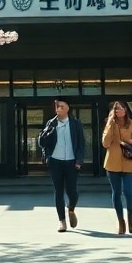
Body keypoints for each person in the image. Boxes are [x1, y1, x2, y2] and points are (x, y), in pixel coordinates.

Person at [37, 97, 85, 232]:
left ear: (68, 108)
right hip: (55, 161)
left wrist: (79, 161)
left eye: (62, 106)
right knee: (58, 191)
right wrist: (48, 157)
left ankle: (71, 209)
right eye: (57, 107)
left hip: (71, 161)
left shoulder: (75, 124)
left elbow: (81, 144)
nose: (59, 109)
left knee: (72, 191)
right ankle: (62, 221)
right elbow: (42, 143)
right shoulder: (51, 123)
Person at [101, 99, 132, 235]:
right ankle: (121, 221)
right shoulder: (109, 123)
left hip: (129, 161)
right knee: (116, 192)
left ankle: (130, 218)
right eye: (117, 108)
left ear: (126, 110)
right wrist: (110, 124)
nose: (120, 110)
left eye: (122, 108)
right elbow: (105, 143)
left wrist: (130, 141)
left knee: (129, 191)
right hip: (112, 163)